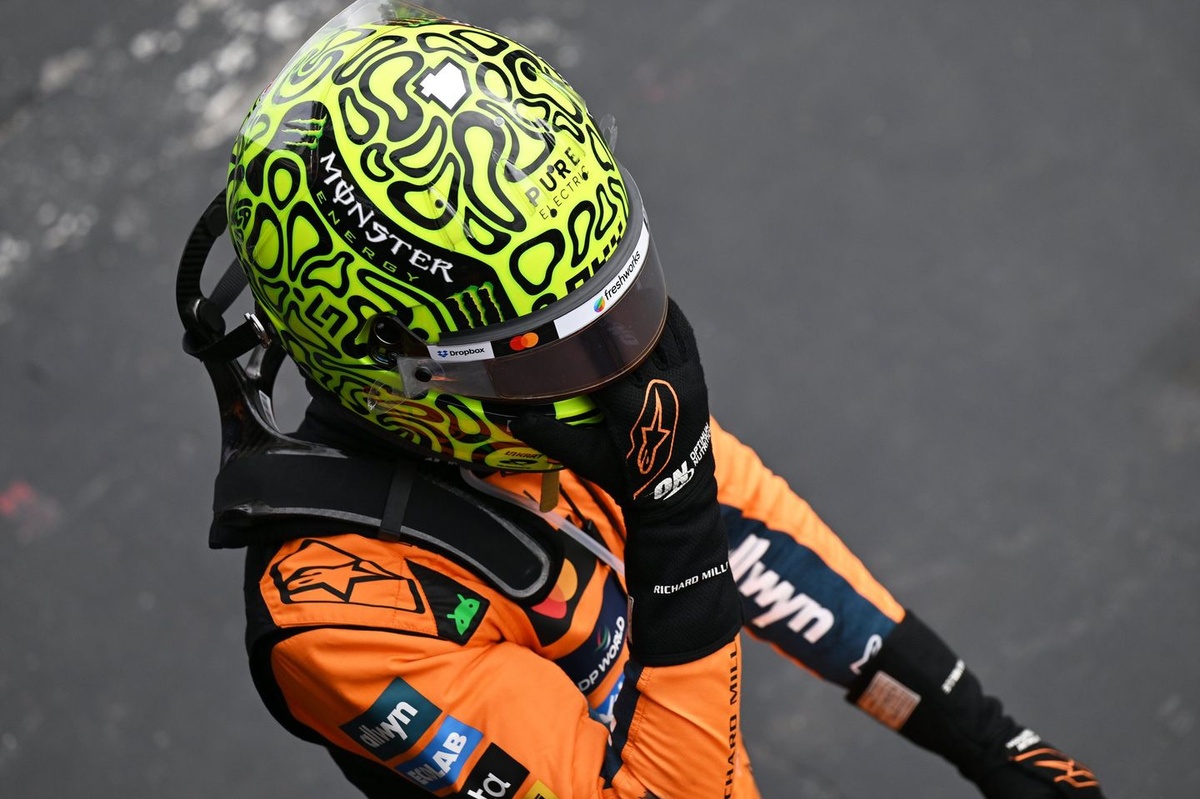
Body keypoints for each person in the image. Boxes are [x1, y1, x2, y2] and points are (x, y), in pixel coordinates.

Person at [179, 2, 1106, 796]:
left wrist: (990, 742)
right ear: (395, 366)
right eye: (553, 351)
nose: (613, 368)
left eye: (614, 308)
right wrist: (675, 530)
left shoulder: (530, 408)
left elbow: (752, 527)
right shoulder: (340, 620)